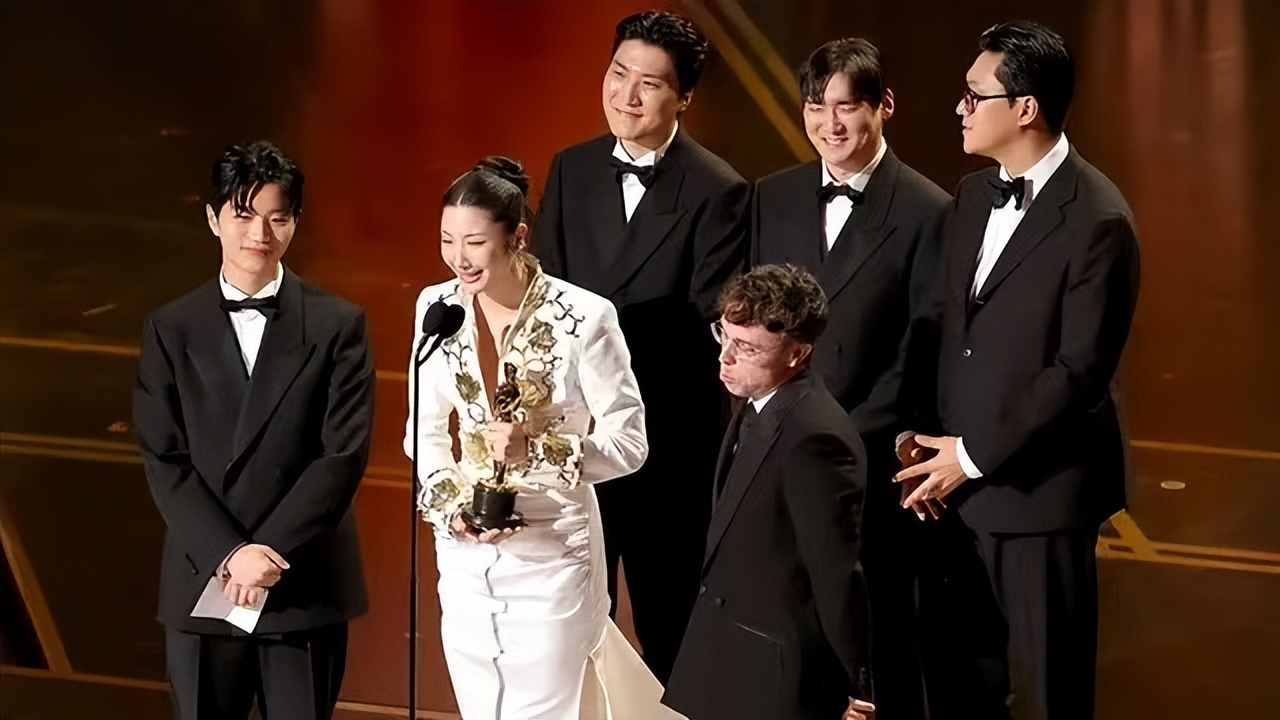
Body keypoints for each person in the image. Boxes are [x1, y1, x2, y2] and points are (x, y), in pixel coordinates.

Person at [896, 21, 1141, 720]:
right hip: (948, 494)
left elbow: (1078, 373)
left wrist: (970, 456)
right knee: (958, 688)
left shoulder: (1098, 220)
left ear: (1026, 108)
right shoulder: (973, 195)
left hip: (1039, 499)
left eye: (975, 96)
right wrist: (917, 436)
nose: (960, 108)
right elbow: (944, 326)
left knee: (1048, 695)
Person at [407, 156, 676, 719]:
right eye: (447, 240)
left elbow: (630, 442)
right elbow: (424, 431)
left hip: (554, 556)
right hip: (464, 555)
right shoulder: (436, 307)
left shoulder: (584, 317)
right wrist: (451, 508)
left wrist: (537, 452)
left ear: (518, 237)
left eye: (475, 242)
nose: (459, 258)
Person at [533, 9, 750, 683]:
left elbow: (709, 325)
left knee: (670, 629)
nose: (626, 95)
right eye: (618, 73)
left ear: (683, 97)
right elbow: (544, 303)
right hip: (576, 446)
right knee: (569, 628)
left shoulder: (719, 190)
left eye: (649, 84)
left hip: (666, 448)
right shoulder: (570, 169)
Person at [134, 140, 373, 720]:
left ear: (295, 222)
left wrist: (268, 554)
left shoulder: (338, 324)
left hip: (302, 582)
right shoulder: (170, 327)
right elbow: (165, 456)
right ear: (213, 218)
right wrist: (230, 553)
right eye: (243, 215)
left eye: (277, 217)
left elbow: (341, 455)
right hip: (205, 580)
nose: (259, 234)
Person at [750, 37, 950, 720]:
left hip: (864, 461)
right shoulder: (771, 197)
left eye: (846, 106)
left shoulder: (928, 210)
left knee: (875, 637)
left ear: (884, 106)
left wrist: (839, 437)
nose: (829, 123)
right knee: (782, 626)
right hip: (775, 454)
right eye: (816, 106)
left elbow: (922, 346)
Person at [663, 264, 876, 720]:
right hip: (732, 655)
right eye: (723, 336)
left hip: (776, 677)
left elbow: (835, 572)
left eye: (746, 347)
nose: (725, 357)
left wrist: (855, 685)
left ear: (797, 353)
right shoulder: (757, 403)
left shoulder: (815, 437)